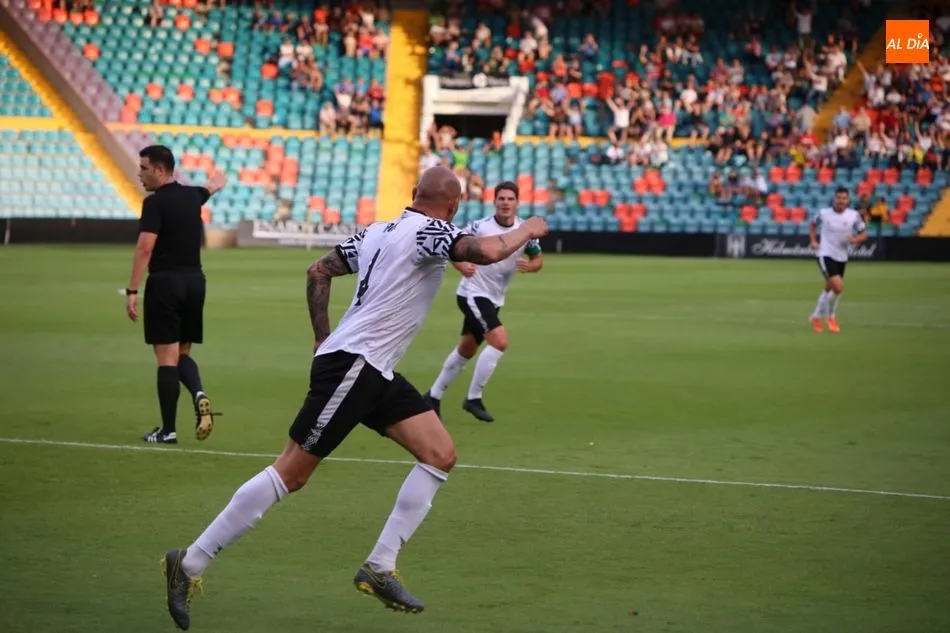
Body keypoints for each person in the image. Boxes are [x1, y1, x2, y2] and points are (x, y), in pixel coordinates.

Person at [160, 166, 548, 630]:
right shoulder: (431, 231)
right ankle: (188, 563)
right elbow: (485, 250)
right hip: (355, 365)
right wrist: (528, 228)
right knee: (291, 472)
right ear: (454, 206)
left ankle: (379, 566)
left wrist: (321, 338)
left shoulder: (378, 231)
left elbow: (318, 270)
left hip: (372, 369)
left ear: (412, 194)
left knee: (440, 453)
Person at [126, 145, 227, 444]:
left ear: (160, 169)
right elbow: (208, 189)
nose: (139, 174)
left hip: (165, 284)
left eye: (144, 168)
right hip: (195, 283)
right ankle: (199, 394)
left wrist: (132, 289)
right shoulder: (192, 196)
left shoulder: (155, 204)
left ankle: (168, 431)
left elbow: (145, 248)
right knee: (182, 354)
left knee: (166, 360)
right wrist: (217, 182)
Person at [425, 181, 543, 423]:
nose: (505, 203)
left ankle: (433, 396)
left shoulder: (524, 230)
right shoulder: (480, 227)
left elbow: (538, 258)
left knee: (467, 349)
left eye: (510, 199)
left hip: (495, 297)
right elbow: (452, 247)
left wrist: (530, 266)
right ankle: (473, 397)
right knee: (499, 341)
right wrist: (461, 265)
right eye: (501, 198)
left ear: (517, 203)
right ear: (495, 201)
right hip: (473, 294)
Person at [808, 187, 868, 333]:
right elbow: (812, 224)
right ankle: (831, 317)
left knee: (830, 287)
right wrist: (814, 241)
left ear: (847, 200)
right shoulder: (824, 213)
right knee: (838, 287)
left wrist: (855, 240)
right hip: (825, 254)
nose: (840, 200)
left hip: (841, 256)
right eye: (838, 197)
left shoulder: (853, 215)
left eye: (843, 198)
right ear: (834, 199)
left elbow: (864, 234)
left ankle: (815, 317)